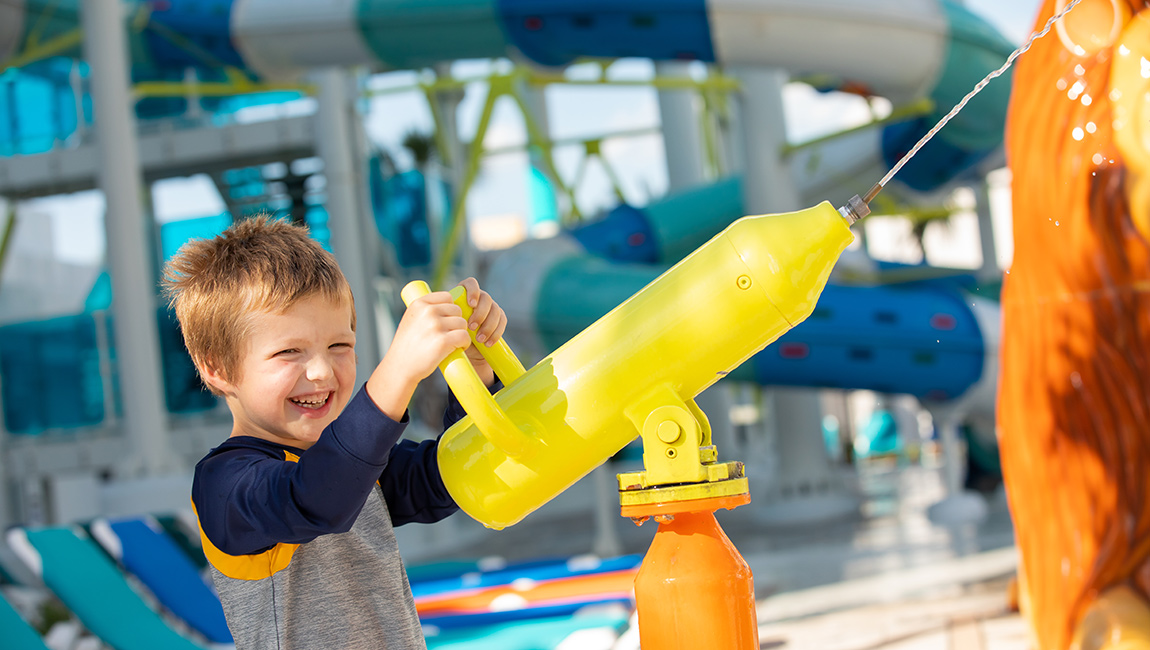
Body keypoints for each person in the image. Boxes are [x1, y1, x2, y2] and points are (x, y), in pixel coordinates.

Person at [162, 215, 506, 649]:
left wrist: (477, 371)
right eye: (289, 352)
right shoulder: (225, 485)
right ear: (217, 368)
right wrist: (396, 373)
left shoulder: (357, 464)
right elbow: (317, 498)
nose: (322, 371)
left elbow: (458, 476)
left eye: (339, 346)